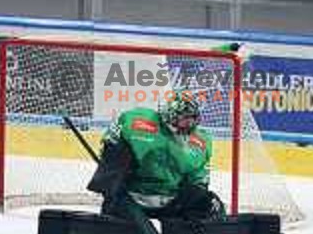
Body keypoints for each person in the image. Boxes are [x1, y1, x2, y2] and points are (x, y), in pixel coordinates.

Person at [88, 92, 226, 223]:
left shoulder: (201, 141)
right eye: (185, 119)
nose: (189, 124)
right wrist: (111, 183)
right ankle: (113, 225)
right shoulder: (137, 121)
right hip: (131, 197)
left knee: (210, 204)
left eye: (192, 119)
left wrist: (198, 194)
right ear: (171, 115)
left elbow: (198, 181)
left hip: (171, 202)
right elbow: (110, 145)